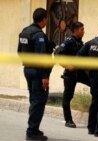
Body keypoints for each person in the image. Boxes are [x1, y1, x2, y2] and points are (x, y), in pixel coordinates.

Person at [17, 8, 52, 140]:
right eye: (46, 18)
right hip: (38, 72)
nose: (46, 21)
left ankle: (35, 128)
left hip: (28, 69)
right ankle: (31, 131)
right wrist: (44, 76)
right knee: (39, 100)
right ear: (43, 19)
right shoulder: (38, 35)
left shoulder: (24, 32)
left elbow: (19, 52)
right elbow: (41, 57)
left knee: (34, 99)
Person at [55, 21, 90, 128]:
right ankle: (68, 120)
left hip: (81, 72)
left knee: (96, 86)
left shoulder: (80, 43)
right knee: (67, 97)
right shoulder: (69, 41)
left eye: (83, 29)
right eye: (81, 30)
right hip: (71, 73)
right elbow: (57, 53)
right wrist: (66, 65)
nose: (83, 31)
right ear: (75, 30)